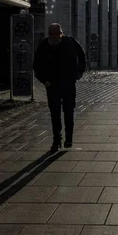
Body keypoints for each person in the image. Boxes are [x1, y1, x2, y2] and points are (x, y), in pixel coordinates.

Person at [33, 23, 86, 152]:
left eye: (55, 34)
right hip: (52, 85)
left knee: (69, 111)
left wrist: (79, 73)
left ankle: (68, 138)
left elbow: (82, 55)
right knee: (55, 113)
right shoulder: (44, 45)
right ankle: (56, 141)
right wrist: (43, 80)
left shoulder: (70, 42)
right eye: (51, 34)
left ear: (61, 33)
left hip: (68, 82)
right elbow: (36, 64)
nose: (53, 37)